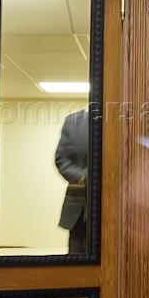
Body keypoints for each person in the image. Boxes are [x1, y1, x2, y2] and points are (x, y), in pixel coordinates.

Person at [55, 108, 90, 255]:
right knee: (77, 257)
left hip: (119, 208)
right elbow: (61, 159)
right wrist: (85, 177)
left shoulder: (124, 120)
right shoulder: (73, 121)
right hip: (79, 208)